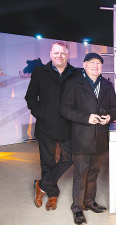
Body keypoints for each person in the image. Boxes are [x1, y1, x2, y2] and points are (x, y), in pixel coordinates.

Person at [60, 52, 116, 224]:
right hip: (81, 138)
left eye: (99, 63)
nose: (96, 66)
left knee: (94, 173)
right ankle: (78, 208)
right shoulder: (74, 84)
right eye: (92, 63)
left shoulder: (107, 85)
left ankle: (89, 202)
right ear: (84, 65)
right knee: (80, 175)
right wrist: (86, 118)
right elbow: (65, 109)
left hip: (100, 138)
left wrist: (110, 116)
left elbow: (115, 107)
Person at [25, 41, 81, 210]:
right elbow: (31, 97)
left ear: (67, 55)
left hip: (68, 125)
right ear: (50, 54)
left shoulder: (76, 73)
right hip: (46, 125)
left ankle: (41, 185)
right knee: (47, 162)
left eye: (63, 53)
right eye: (56, 53)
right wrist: (41, 115)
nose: (59, 56)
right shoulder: (40, 72)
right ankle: (53, 195)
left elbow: (81, 98)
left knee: (69, 157)